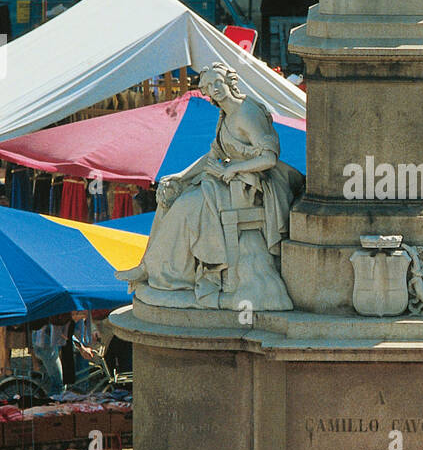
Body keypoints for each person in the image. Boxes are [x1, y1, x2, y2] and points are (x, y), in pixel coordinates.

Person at [118, 64, 302, 310]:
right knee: (173, 194)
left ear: (229, 81)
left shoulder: (246, 113)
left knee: (187, 206)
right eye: (208, 87)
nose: (214, 90)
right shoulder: (226, 114)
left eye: (217, 83)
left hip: (255, 188)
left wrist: (232, 170)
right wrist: (180, 176)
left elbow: (269, 159)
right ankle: (150, 266)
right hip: (230, 180)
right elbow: (213, 155)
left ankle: (171, 275)